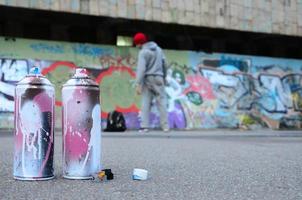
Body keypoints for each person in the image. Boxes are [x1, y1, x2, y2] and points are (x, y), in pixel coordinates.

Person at [133, 32, 169, 132]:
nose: (136, 46)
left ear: (140, 43)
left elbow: (141, 69)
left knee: (146, 101)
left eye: (136, 44)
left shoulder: (143, 52)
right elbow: (165, 64)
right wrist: (164, 77)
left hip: (148, 79)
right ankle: (165, 126)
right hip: (159, 78)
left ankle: (144, 126)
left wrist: (138, 83)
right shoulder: (159, 50)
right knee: (162, 101)